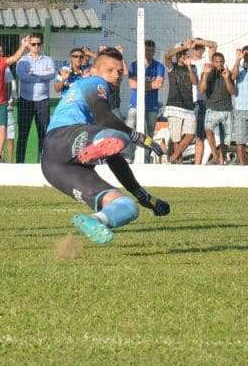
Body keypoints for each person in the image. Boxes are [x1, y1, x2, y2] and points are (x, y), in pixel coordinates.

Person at [42, 48, 170, 244]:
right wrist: (141, 138)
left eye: (119, 72)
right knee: (115, 133)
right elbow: (105, 119)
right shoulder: (94, 82)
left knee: (127, 206)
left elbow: (115, 158)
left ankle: (97, 221)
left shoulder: (102, 124)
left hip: (54, 167)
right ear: (94, 70)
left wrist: (142, 196)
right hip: (64, 136)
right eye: (109, 70)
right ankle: (90, 152)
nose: (115, 76)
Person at [14, 33, 55, 162]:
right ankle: (19, 163)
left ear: (41, 45)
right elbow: (22, 76)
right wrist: (41, 76)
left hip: (43, 101)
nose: (36, 46)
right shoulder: (23, 60)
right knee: (23, 134)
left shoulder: (48, 60)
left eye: (38, 44)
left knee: (43, 134)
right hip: (25, 101)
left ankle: (42, 164)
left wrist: (33, 74)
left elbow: (52, 74)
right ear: (28, 45)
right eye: (33, 44)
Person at [162, 41, 199, 163]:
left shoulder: (192, 67)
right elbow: (167, 56)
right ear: (177, 54)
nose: (184, 55)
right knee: (176, 139)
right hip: (174, 105)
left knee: (190, 134)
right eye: (181, 53)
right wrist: (182, 47)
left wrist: (188, 66)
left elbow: (195, 82)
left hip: (188, 107)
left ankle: (173, 157)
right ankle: (179, 162)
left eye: (185, 53)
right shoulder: (172, 66)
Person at [126, 40, 167, 144]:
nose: (149, 53)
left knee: (149, 134)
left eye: (151, 51)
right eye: (146, 50)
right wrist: (151, 84)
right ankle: (129, 156)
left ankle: (146, 156)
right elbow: (132, 85)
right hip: (136, 104)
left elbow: (158, 84)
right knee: (130, 128)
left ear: (154, 51)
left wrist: (140, 84)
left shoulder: (159, 66)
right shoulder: (134, 65)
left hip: (151, 105)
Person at [199, 52, 235, 165]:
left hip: (226, 108)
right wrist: (205, 74)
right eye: (216, 61)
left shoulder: (228, 73)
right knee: (208, 130)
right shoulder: (208, 73)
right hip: (212, 108)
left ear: (224, 62)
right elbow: (202, 90)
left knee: (226, 138)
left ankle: (221, 158)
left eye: (221, 61)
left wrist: (226, 78)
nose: (219, 63)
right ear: (212, 62)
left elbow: (233, 91)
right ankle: (215, 155)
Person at [188, 38, 217, 167]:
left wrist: (200, 42)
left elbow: (214, 46)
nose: (198, 49)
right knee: (185, 135)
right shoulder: (186, 60)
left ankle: (198, 164)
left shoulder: (206, 61)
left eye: (200, 47)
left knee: (201, 135)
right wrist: (191, 44)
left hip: (202, 101)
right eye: (196, 47)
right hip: (187, 101)